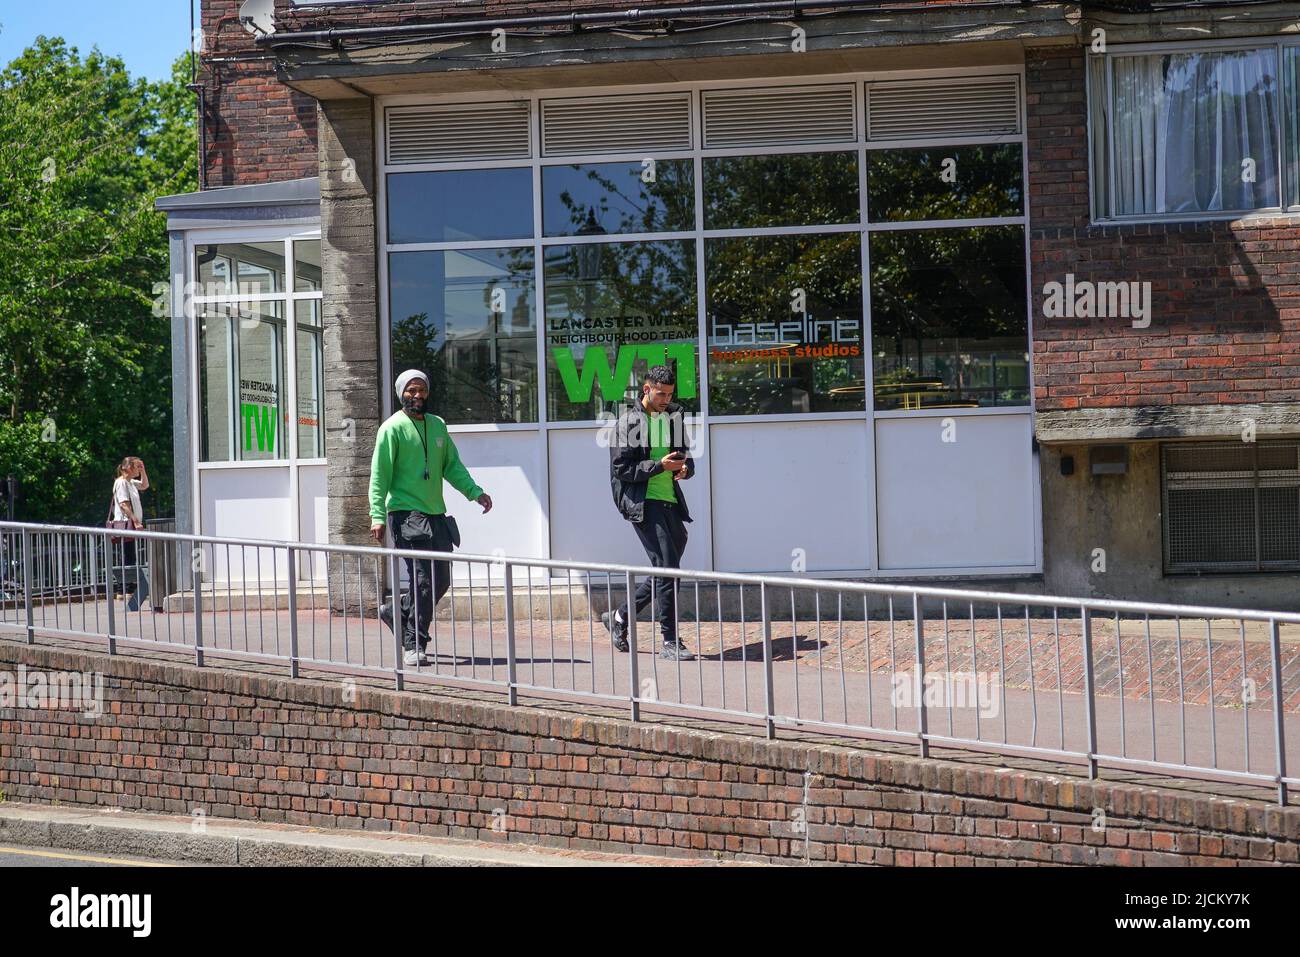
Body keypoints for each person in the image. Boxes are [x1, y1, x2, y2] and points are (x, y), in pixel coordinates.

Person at [370, 370, 492, 667]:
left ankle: (395, 611)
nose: (417, 395)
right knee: (423, 581)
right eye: (411, 390)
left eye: (422, 390)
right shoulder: (391, 428)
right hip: (406, 515)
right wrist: (377, 515)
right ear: (401, 393)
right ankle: (414, 642)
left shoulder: (437, 425)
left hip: (436, 515)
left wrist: (475, 492)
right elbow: (379, 475)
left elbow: (452, 465)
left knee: (441, 581)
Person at [602, 365, 696, 661]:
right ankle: (669, 641)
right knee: (668, 568)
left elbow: (684, 455)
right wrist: (659, 467)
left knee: (666, 569)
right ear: (646, 389)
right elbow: (622, 468)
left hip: (670, 500)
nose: (665, 399)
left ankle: (619, 616)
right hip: (643, 503)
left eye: (669, 394)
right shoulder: (629, 422)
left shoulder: (674, 416)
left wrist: (685, 468)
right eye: (660, 394)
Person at [111, 457, 151, 612]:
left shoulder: (130, 483)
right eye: (136, 467)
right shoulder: (121, 482)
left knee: (130, 554)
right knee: (127, 555)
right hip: (125, 524)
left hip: (130, 524)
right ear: (127, 469)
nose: (137, 470)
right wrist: (136, 521)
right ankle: (124, 589)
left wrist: (143, 470)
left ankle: (126, 588)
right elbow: (124, 504)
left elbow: (145, 485)